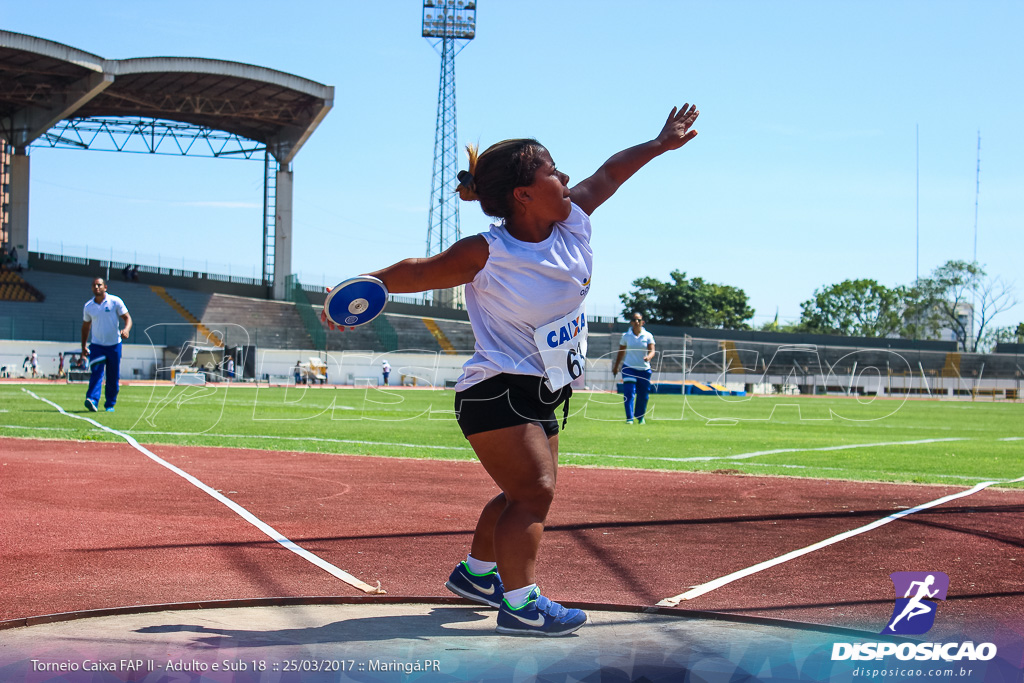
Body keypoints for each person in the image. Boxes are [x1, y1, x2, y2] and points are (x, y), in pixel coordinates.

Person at [324, 104, 699, 635]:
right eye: (552, 171)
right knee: (533, 494)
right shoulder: (487, 252)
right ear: (523, 194)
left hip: (545, 388)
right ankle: (521, 605)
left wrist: (660, 143)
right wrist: (359, 289)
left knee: (519, 491)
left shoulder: (571, 222)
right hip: (497, 388)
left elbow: (610, 172)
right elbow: (419, 271)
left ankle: (478, 576)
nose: (565, 177)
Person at [81, 277, 132, 412]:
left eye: (99, 285)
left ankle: (110, 403)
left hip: (114, 345)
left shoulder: (115, 301)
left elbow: (127, 318)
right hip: (97, 346)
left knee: (112, 376)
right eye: (94, 285)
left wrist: (126, 330)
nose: (96, 287)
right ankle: (92, 399)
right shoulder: (88, 307)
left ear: (105, 287)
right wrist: (83, 346)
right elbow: (85, 327)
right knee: (96, 372)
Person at [611, 313, 656, 424]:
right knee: (629, 393)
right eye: (634, 320)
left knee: (643, 395)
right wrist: (616, 366)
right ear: (631, 322)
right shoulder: (626, 336)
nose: (636, 322)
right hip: (629, 368)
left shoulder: (648, 336)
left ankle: (640, 417)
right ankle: (629, 418)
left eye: (639, 320)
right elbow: (621, 353)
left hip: (644, 370)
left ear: (642, 322)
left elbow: (652, 350)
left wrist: (648, 357)